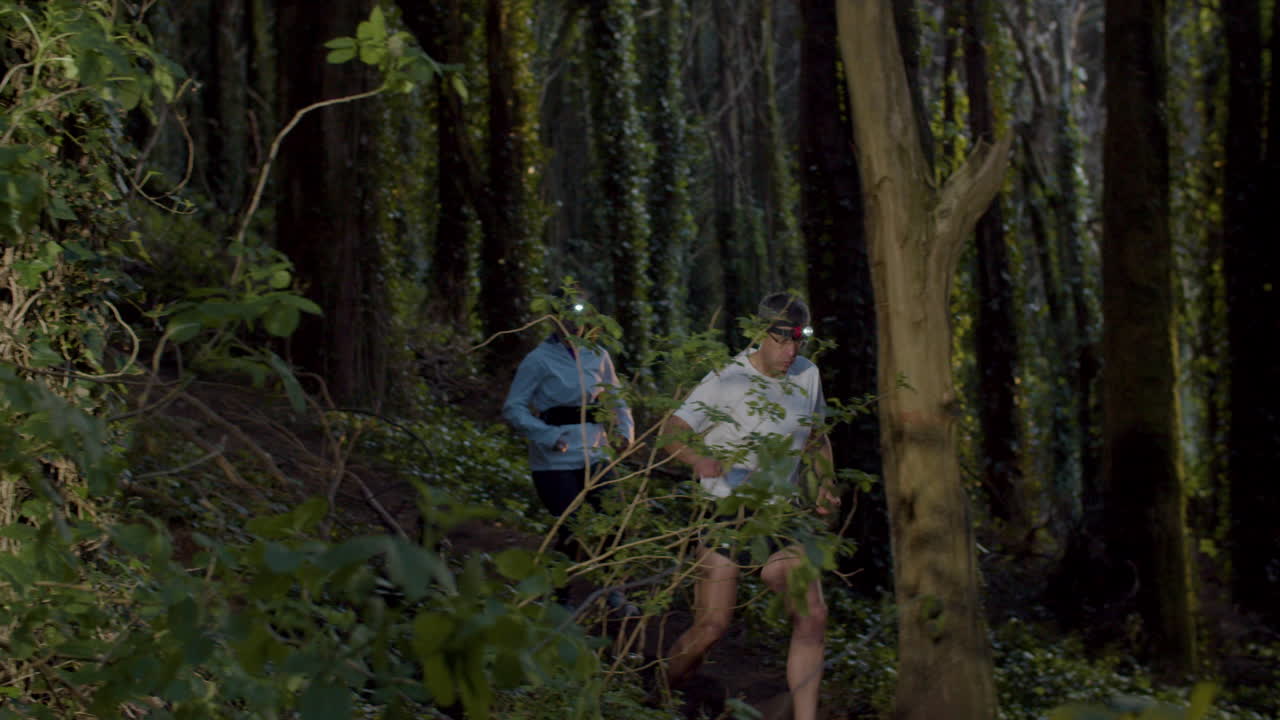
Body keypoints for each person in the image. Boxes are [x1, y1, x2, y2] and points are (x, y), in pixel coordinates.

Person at [658, 292, 839, 720]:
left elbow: (816, 435)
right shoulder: (726, 378)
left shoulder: (807, 375)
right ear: (761, 335)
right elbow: (672, 430)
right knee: (710, 629)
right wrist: (699, 459)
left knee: (812, 615)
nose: (790, 352)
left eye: (798, 342)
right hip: (725, 511)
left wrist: (826, 481)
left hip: (778, 515)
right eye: (782, 341)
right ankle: (662, 693)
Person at [502, 291, 636, 612]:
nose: (574, 322)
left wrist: (625, 432)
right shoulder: (538, 359)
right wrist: (545, 434)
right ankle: (560, 598)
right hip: (555, 459)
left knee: (614, 519)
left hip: (596, 453)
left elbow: (616, 398)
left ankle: (614, 592)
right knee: (572, 526)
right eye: (566, 314)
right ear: (554, 318)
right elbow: (513, 408)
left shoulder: (599, 355)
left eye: (581, 314)